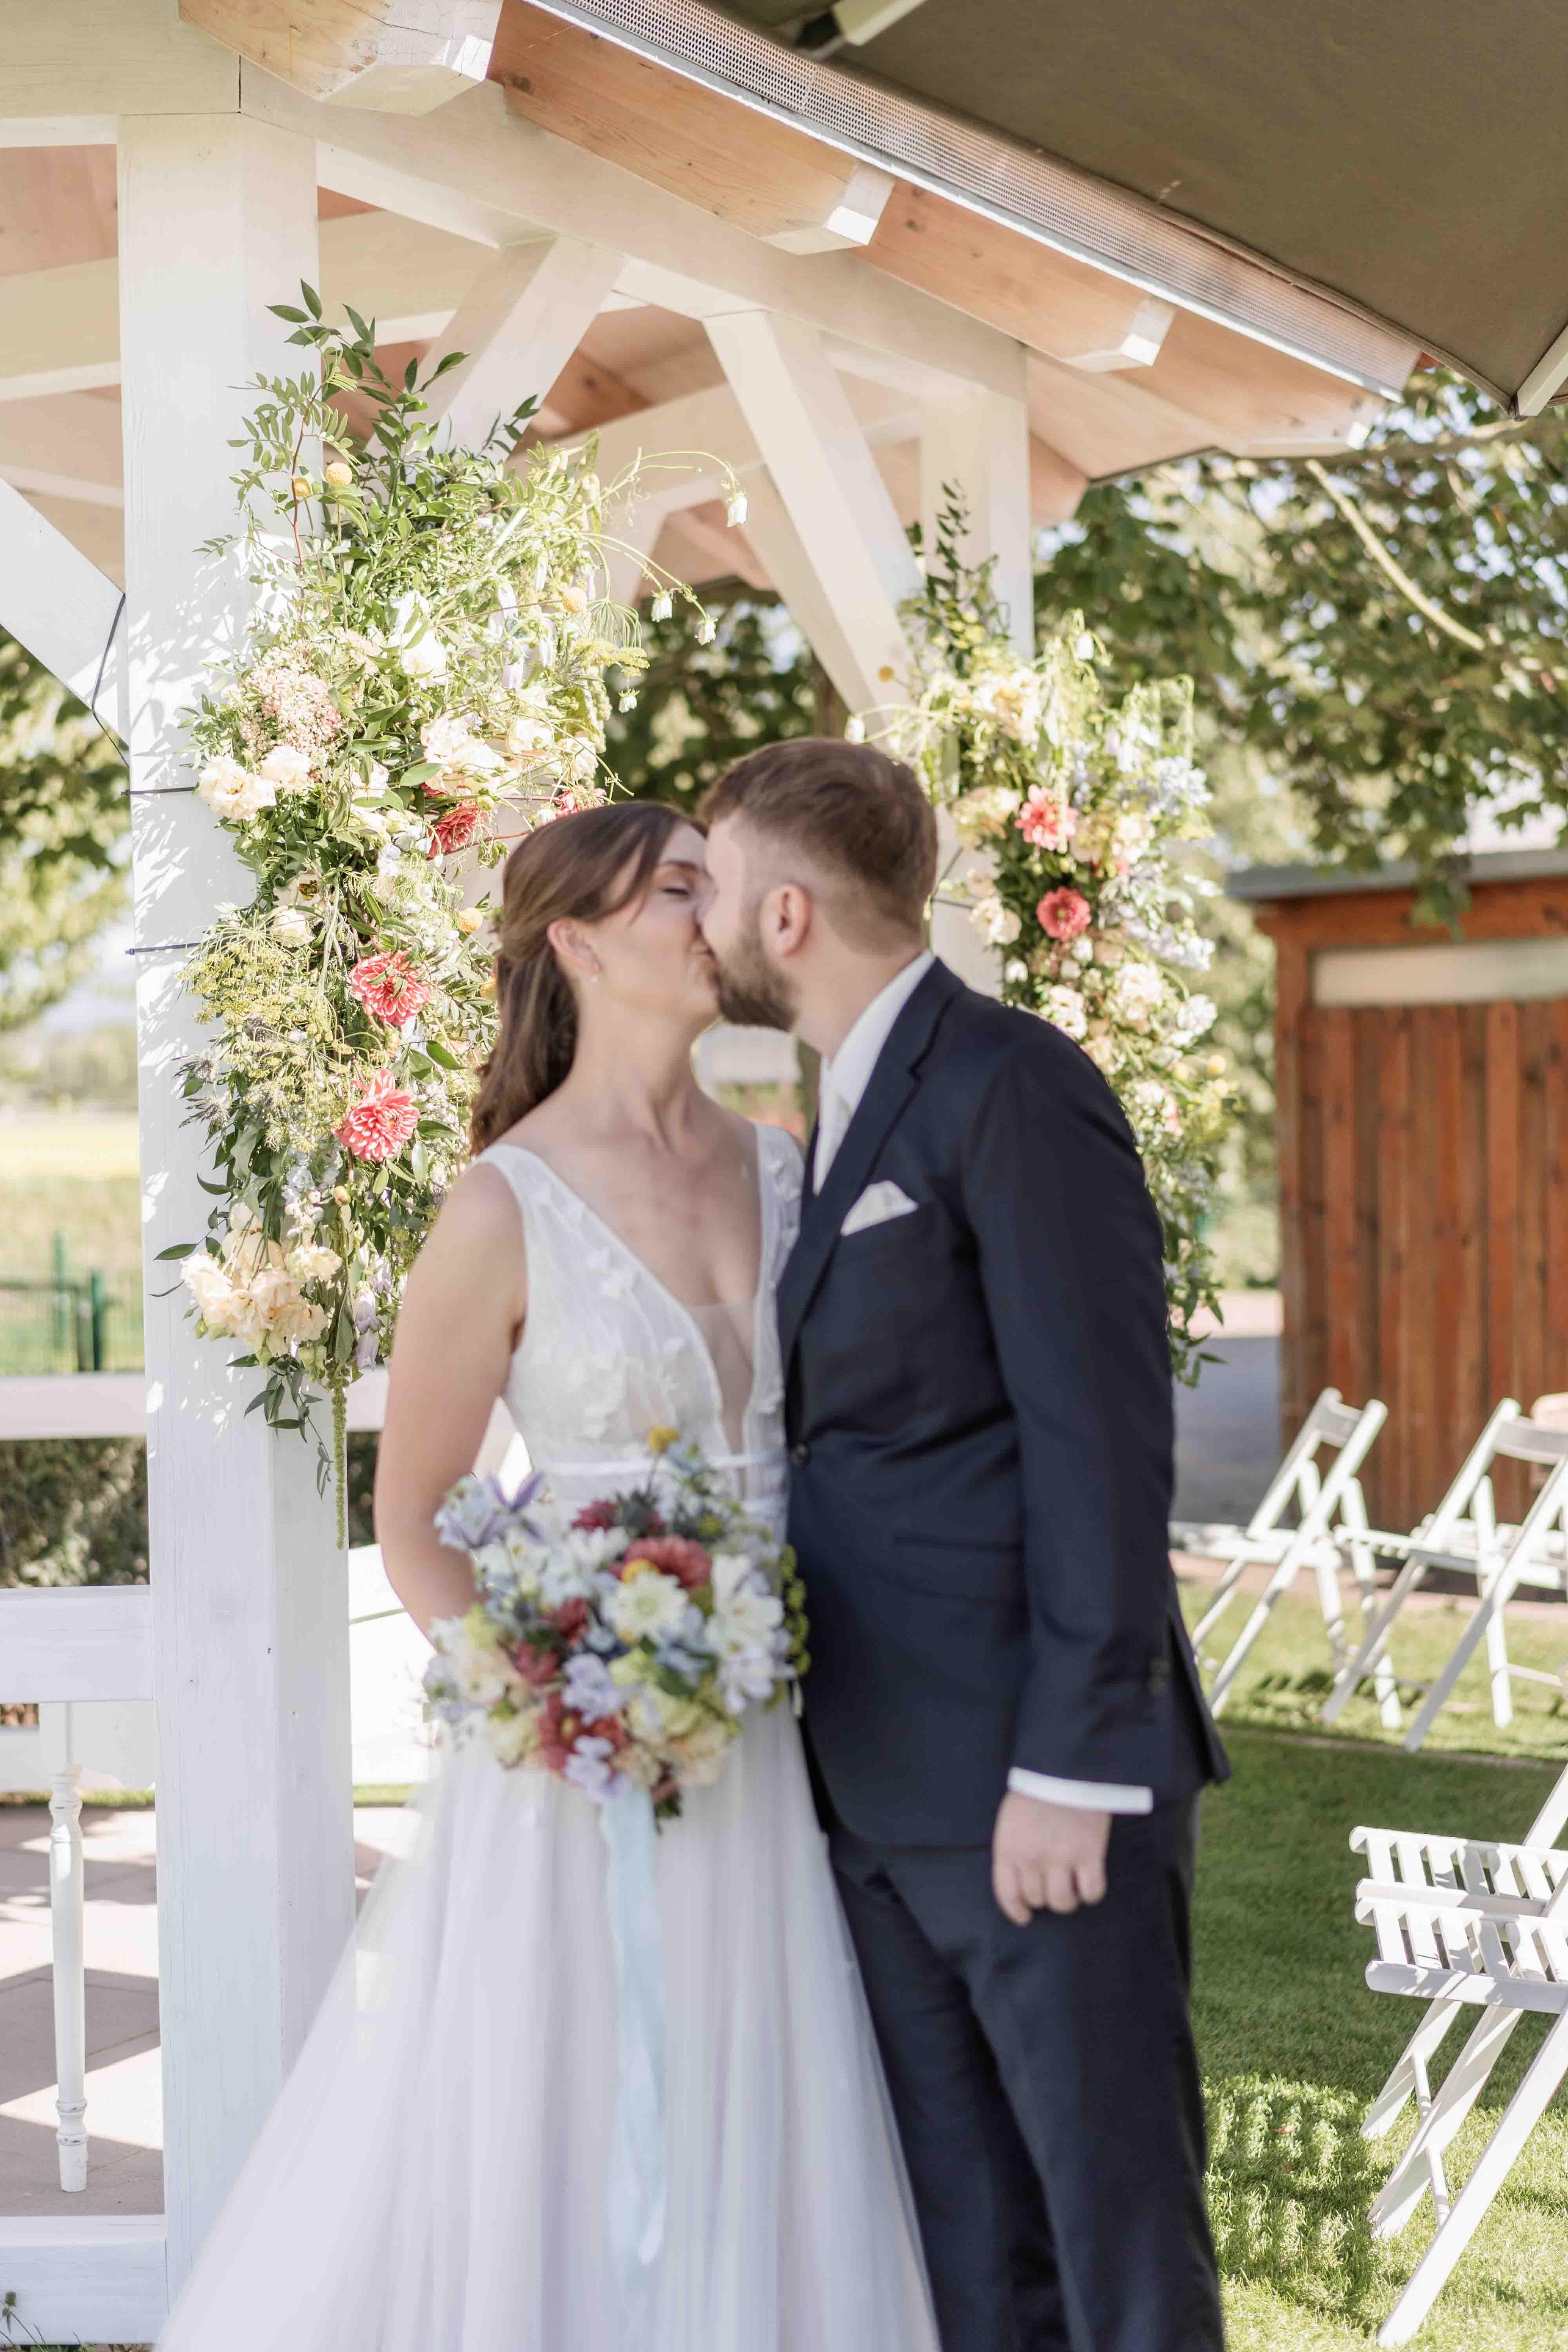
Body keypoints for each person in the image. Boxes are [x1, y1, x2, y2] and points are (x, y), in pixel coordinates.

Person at [156, 799, 938, 2352]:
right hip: (578, 1772)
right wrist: (551, 1693)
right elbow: (420, 1516)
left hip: (782, 1739)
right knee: (583, 2103)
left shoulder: (787, 1168)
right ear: (576, 941)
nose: (715, 917)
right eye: (677, 892)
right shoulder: (499, 1206)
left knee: (767, 2085)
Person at [698, 738, 1230, 2352]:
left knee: (1114, 2249)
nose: (697, 921)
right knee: (972, 2256)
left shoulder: (1013, 1081)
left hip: (1029, 1786)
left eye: (710, 888)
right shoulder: (834, 1109)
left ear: (785, 914)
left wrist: (1074, 1764)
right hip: (877, 1789)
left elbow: (1101, 1442)